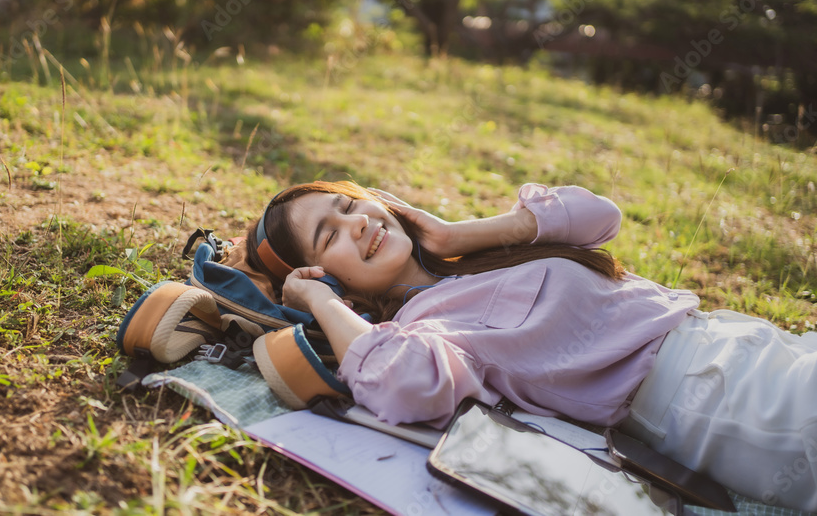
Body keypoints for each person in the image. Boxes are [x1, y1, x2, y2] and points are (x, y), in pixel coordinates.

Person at [244, 180, 817, 512]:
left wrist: (453, 234)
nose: (357, 225)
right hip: (717, 400)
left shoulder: (467, 261)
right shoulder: (423, 325)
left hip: (745, 343)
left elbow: (599, 217)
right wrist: (322, 304)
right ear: (325, 275)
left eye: (349, 206)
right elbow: (402, 383)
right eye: (330, 235)